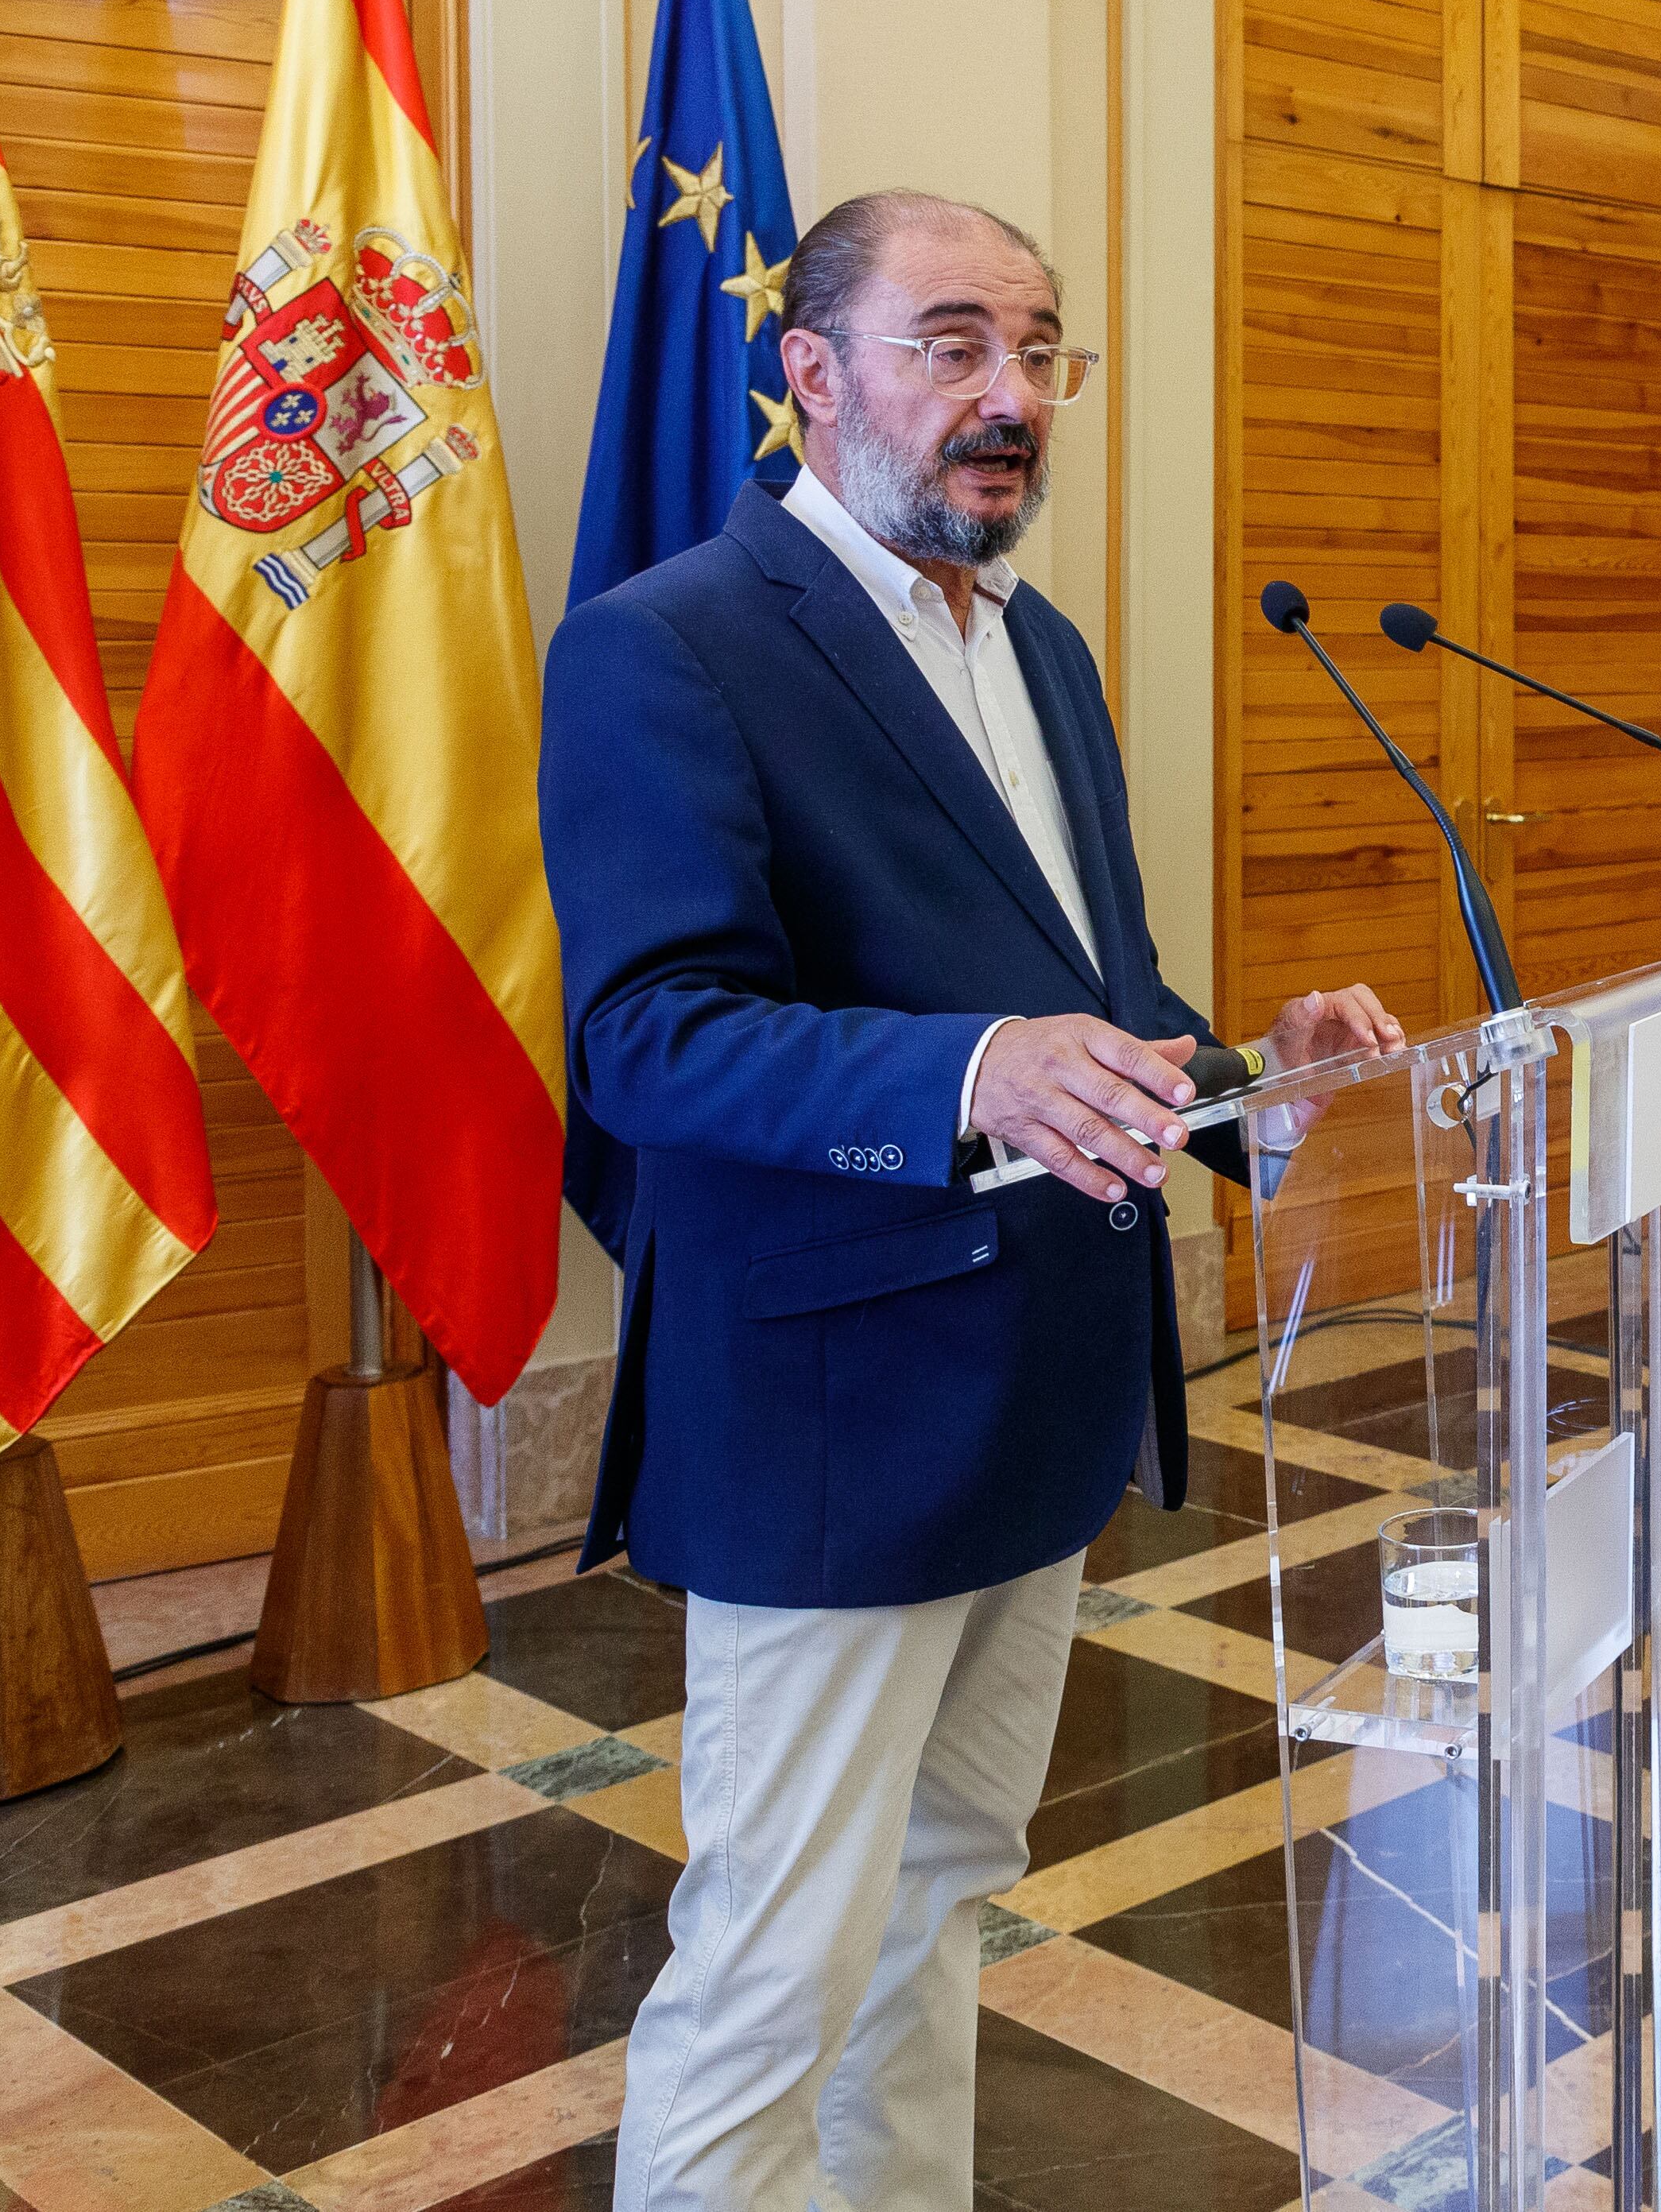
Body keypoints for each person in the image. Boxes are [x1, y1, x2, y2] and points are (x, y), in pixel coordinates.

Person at [539, 188, 1400, 2212]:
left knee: (937, 1906)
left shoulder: (1046, 649)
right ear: (811, 375)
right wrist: (967, 1070)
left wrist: (1245, 1081)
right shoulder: (666, 647)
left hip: (1037, 1399)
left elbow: (1083, 997)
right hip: (835, 1423)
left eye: (1038, 350)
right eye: (952, 344)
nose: (1009, 396)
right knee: (777, 1963)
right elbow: (651, 1037)